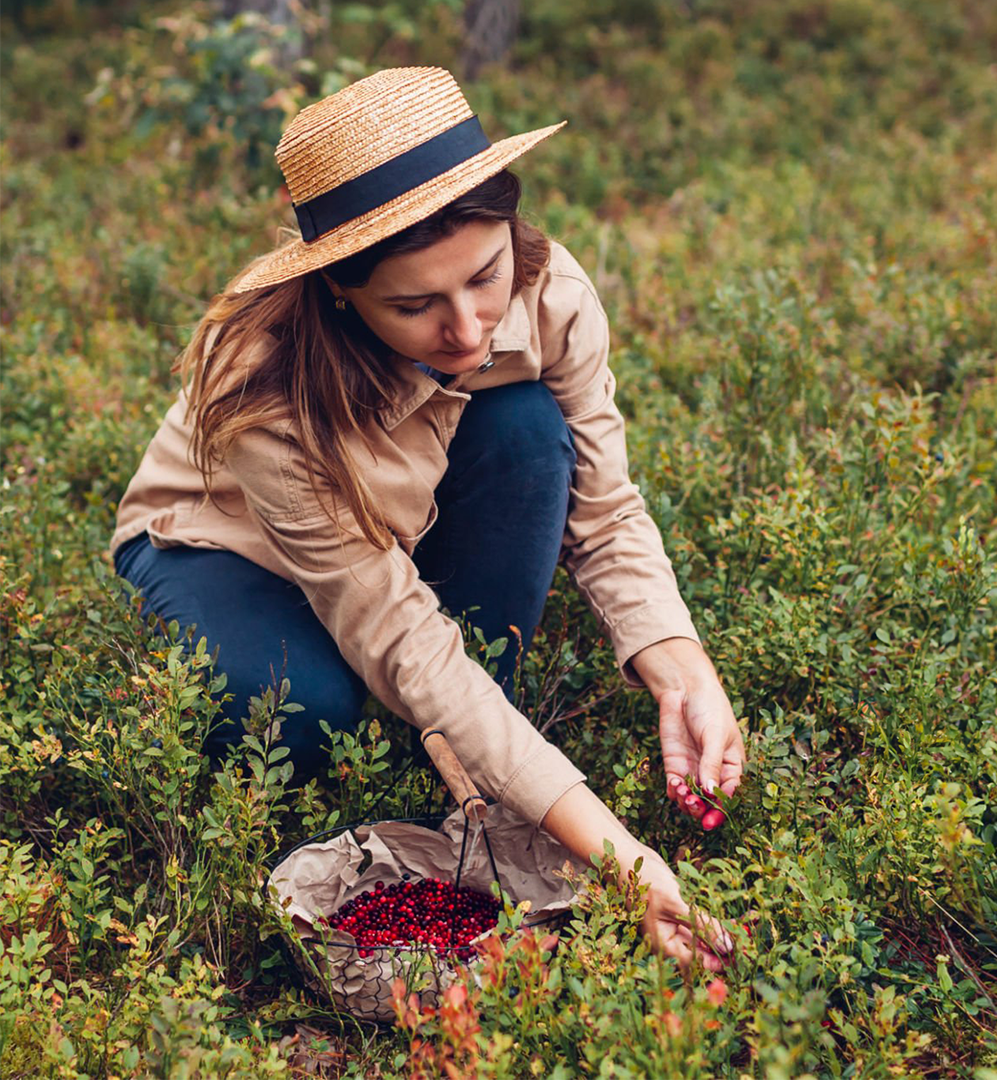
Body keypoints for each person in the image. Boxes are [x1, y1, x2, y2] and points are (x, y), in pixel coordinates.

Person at [111, 66, 745, 973]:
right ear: (341, 290)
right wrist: (618, 855)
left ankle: (486, 738)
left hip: (401, 529)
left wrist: (682, 671)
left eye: (485, 276)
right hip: (226, 546)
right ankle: (459, 741)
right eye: (414, 305)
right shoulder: (265, 391)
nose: (467, 328)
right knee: (303, 715)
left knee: (530, 428)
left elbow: (604, 511)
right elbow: (400, 634)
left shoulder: (550, 292)